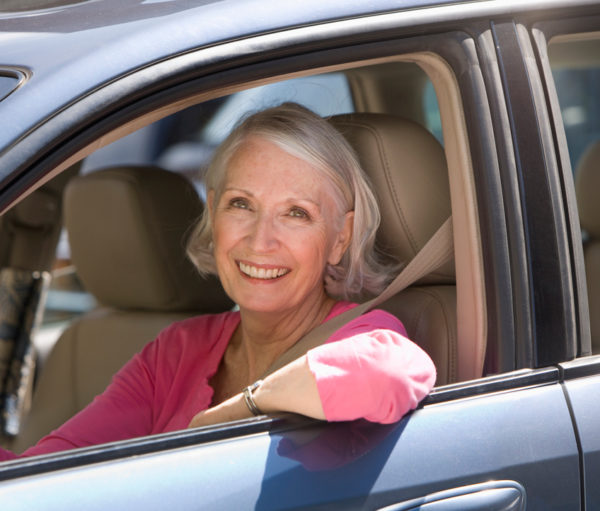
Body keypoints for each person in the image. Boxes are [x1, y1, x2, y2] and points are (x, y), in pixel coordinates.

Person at [0, 103, 435, 461]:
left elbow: (390, 375)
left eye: (296, 213)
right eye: (241, 205)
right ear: (213, 214)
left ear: (340, 239)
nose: (260, 240)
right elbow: (46, 469)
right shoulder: (177, 351)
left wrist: (239, 410)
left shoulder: (361, 335)